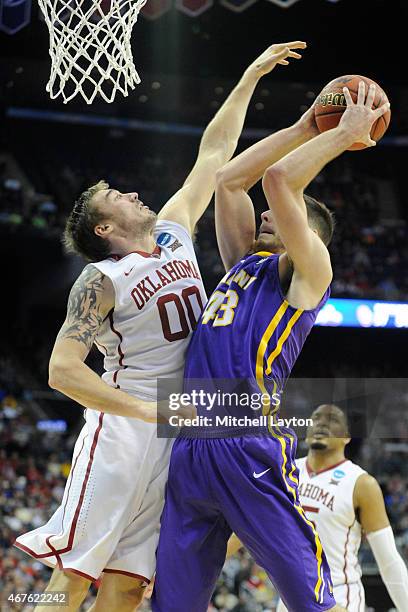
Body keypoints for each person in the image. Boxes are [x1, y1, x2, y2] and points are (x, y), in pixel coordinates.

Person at [13, 41, 306, 612]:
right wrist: (150, 411)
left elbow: (215, 153)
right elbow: (62, 371)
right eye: (116, 196)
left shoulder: (172, 232)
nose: (132, 192)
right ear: (103, 228)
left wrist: (247, 77)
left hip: (180, 431)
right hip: (126, 425)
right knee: (73, 576)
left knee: (128, 581)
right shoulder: (100, 278)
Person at [151, 81, 390, 611]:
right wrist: (307, 124)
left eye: (279, 216)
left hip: (246, 438)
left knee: (310, 600)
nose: (265, 213)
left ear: (307, 234)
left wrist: (342, 135)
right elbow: (230, 182)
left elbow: (280, 180)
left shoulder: (310, 273)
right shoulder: (245, 261)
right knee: (173, 602)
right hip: (190, 440)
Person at [276, 403, 408, 612]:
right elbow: (244, 532)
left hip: (338, 596)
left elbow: (389, 562)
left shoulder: (361, 483)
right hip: (290, 597)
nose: (321, 423)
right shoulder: (285, 472)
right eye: (317, 418)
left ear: (346, 436)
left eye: (333, 420)